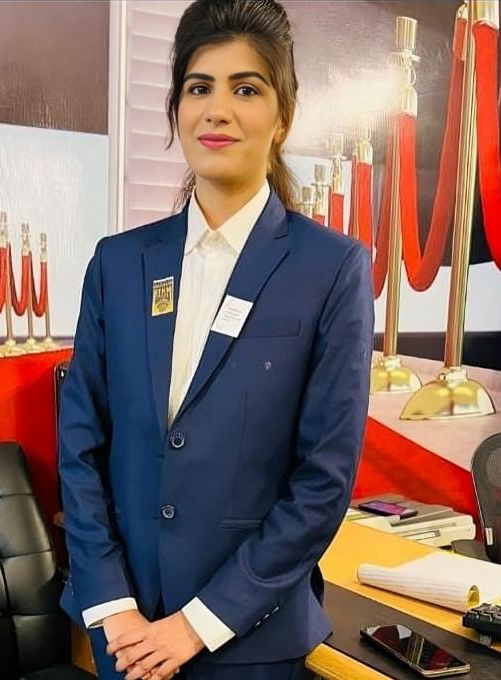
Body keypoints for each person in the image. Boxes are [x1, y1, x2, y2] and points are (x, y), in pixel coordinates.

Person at [58, 1, 374, 679]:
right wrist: (112, 604)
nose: (217, 109)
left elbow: (322, 480)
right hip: (127, 632)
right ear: (176, 108)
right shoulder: (119, 263)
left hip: (246, 641)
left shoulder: (330, 269)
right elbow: (81, 444)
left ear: (283, 115)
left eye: (246, 88)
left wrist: (196, 625)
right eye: (199, 87)